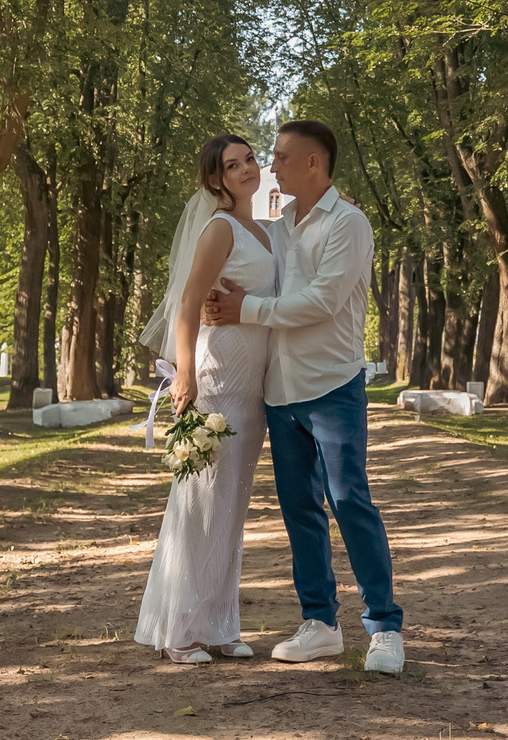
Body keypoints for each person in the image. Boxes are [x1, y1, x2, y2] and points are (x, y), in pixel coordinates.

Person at [203, 117, 405, 675]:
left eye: (281, 157)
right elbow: (247, 251)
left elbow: (320, 302)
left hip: (332, 386)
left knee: (348, 502)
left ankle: (384, 627)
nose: (271, 166)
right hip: (280, 391)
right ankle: (320, 623)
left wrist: (244, 309)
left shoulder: (350, 223)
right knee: (299, 511)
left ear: (312, 163)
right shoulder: (283, 222)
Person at [134, 134, 277, 664]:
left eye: (251, 160)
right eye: (232, 165)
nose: (246, 169)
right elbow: (190, 301)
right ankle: (178, 630)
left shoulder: (265, 231)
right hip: (216, 377)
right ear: (216, 180)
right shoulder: (219, 229)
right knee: (200, 504)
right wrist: (186, 375)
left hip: (253, 385)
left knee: (232, 509)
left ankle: (219, 625)